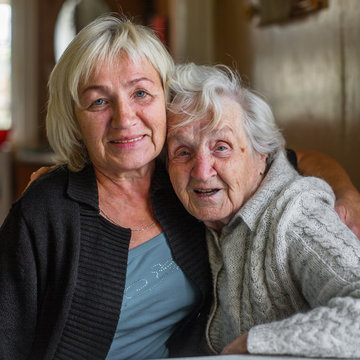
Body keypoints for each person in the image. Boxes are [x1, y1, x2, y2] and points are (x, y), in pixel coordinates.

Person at [2, 14, 359, 360]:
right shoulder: (48, 211)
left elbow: (287, 158)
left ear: (163, 101)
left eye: (140, 93)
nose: (125, 119)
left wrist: (346, 193)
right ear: (75, 119)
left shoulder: (184, 176)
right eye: (98, 101)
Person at [166, 63, 360, 358]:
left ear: (262, 154)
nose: (202, 172)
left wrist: (256, 343)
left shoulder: (295, 215)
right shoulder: (207, 214)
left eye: (221, 147)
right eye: (183, 152)